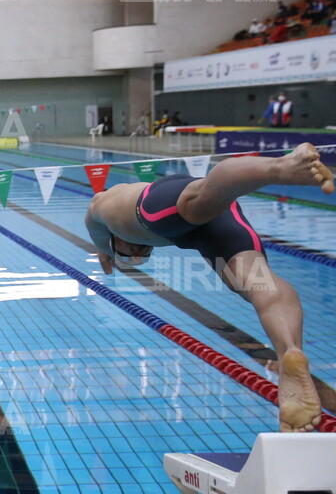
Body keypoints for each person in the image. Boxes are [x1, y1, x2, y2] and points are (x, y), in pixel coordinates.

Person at [84, 144, 334, 432]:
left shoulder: (105, 205)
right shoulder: (135, 225)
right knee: (257, 282)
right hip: (217, 226)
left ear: (114, 238)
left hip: (161, 204)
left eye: (129, 254)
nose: (138, 253)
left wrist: (103, 249)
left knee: (200, 196)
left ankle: (280, 167)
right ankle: (289, 350)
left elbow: (92, 220)